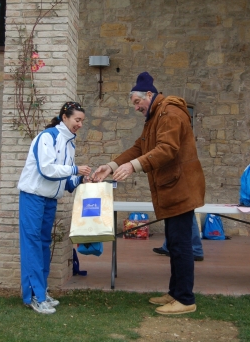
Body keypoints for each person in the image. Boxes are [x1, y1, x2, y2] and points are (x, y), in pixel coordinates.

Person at [92, 72, 205, 315]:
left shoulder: (170, 114)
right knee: (174, 244)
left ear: (150, 95)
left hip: (180, 190)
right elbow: (139, 147)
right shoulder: (155, 117)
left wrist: (132, 166)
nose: (135, 108)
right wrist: (110, 166)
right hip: (173, 191)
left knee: (181, 245)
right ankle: (175, 292)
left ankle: (185, 299)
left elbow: (167, 149)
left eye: (136, 102)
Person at [17, 102, 91, 314]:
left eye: (82, 121)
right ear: (64, 117)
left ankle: (40, 292)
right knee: (32, 245)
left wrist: (81, 180)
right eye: (77, 119)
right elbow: (46, 170)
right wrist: (76, 168)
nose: (79, 124)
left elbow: (64, 182)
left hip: (49, 200)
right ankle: (35, 297)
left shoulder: (70, 144)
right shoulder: (48, 137)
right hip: (33, 197)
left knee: (42, 245)